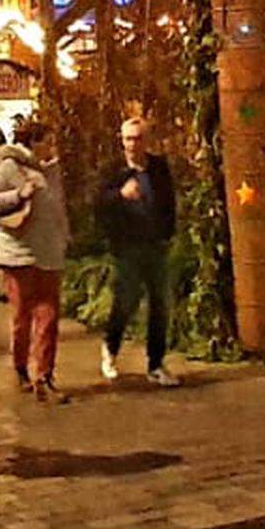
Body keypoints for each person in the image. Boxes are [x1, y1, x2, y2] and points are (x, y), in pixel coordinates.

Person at [0, 118, 71, 403]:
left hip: (49, 253)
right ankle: (20, 369)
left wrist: (65, 235)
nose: (52, 148)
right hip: (18, 255)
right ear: (34, 142)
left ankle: (44, 376)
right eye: (48, 141)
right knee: (22, 317)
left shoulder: (51, 171)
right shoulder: (11, 167)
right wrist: (18, 194)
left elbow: (58, 207)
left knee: (49, 317)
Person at [92, 115, 181, 387]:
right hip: (127, 247)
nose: (132, 144)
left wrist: (167, 233)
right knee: (126, 301)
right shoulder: (113, 171)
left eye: (138, 138)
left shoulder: (158, 167)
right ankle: (111, 347)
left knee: (160, 305)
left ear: (147, 140)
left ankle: (156, 364)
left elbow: (168, 201)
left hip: (155, 244)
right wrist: (120, 195)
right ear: (122, 141)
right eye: (128, 139)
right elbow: (97, 203)